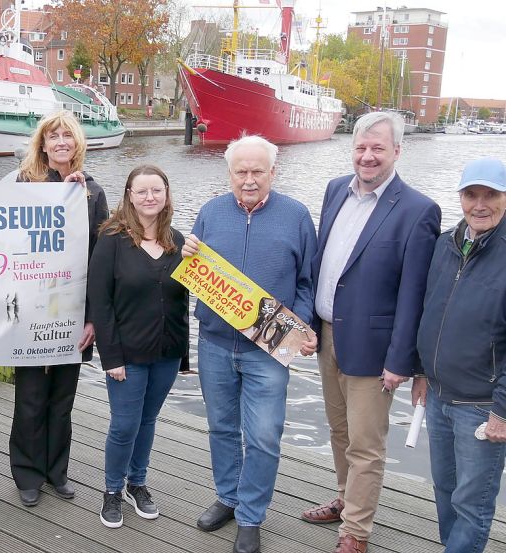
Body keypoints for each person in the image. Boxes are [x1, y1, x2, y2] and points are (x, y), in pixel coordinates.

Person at [301, 111, 441, 553]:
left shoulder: (418, 211)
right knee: (339, 430)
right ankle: (346, 499)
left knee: (367, 442)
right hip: (327, 335)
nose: (367, 156)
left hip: (375, 348)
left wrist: (401, 361)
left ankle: (355, 534)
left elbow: (414, 293)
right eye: (361, 147)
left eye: (378, 148)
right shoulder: (333, 191)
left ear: (397, 151)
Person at [182, 135, 317, 553]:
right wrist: (185, 253)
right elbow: (193, 270)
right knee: (222, 427)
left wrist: (303, 326)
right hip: (216, 344)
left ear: (273, 172)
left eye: (258, 171)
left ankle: (251, 515)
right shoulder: (210, 212)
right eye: (241, 171)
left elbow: (307, 282)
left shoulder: (296, 216)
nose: (249, 179)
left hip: (270, 350)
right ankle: (228, 496)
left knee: (263, 435)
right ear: (229, 174)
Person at [414, 158, 506, 553]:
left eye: (490, 195)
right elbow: (429, 312)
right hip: (439, 396)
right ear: (460, 197)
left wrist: (504, 411)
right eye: (471, 194)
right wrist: (421, 370)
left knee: (472, 504)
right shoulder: (444, 245)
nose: (479, 204)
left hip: (482, 406)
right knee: (445, 491)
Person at [3, 110, 109, 507]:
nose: (61, 141)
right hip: (30, 309)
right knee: (30, 395)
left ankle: (56, 470)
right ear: (43, 144)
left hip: (72, 310)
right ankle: (27, 473)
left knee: (63, 397)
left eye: (68, 135)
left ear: (77, 143)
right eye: (54, 135)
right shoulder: (22, 184)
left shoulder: (92, 191)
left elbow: (100, 258)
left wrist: (93, 318)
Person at [87, 164, 188, 528]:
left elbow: (183, 300)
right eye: (142, 191)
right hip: (127, 355)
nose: (150, 197)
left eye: (156, 191)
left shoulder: (177, 241)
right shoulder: (112, 238)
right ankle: (112, 489)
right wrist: (110, 356)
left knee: (147, 420)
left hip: (166, 352)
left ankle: (137, 483)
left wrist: (184, 355)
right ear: (129, 195)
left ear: (166, 194)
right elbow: (100, 302)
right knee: (124, 424)